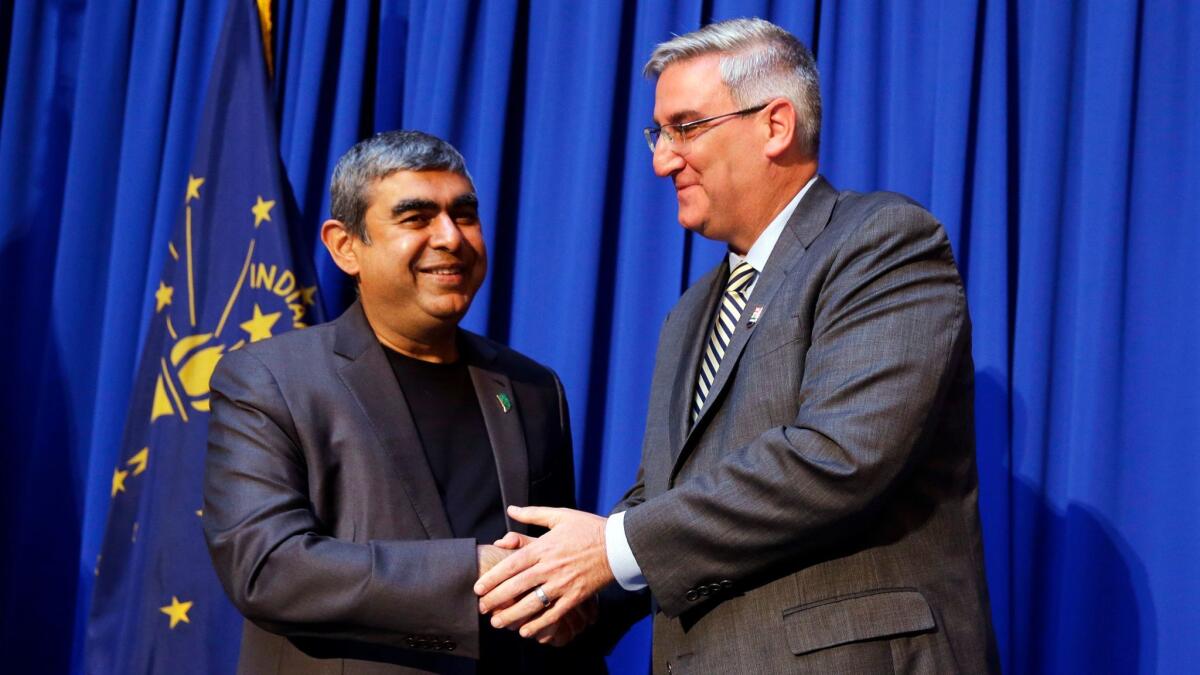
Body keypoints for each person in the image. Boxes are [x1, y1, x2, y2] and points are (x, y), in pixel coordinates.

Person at [475, 18, 1000, 673]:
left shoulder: (882, 243)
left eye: (685, 127)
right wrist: (568, 588)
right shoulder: (691, 313)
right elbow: (665, 494)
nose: (662, 159)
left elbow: (839, 456)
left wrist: (610, 549)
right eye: (658, 133)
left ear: (774, 125)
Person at [204, 130, 603, 674]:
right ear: (345, 246)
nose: (450, 238)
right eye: (416, 218)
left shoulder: (533, 388)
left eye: (464, 215)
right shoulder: (268, 378)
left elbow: (555, 579)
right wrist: (475, 572)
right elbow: (267, 568)